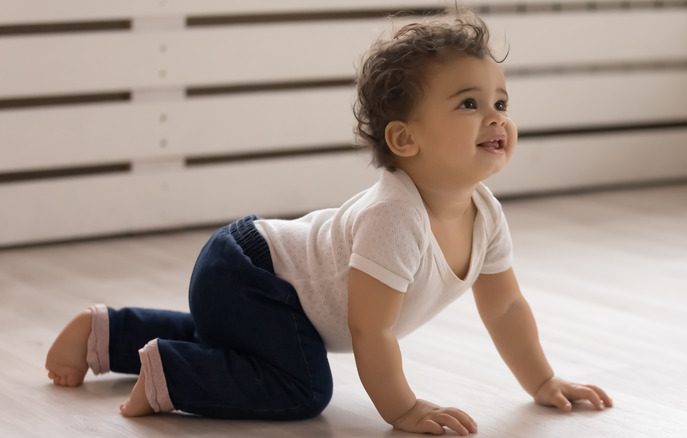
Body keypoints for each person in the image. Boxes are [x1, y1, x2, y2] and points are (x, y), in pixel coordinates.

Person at [45, 9, 612, 436]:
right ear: (404, 138)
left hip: (261, 281)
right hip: (249, 269)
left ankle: (107, 333)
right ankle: (172, 371)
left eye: (502, 103)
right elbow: (371, 329)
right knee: (303, 386)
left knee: (256, 349)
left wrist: (542, 381)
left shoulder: (484, 213)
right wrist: (404, 410)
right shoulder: (396, 217)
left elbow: (506, 307)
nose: (495, 117)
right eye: (469, 104)